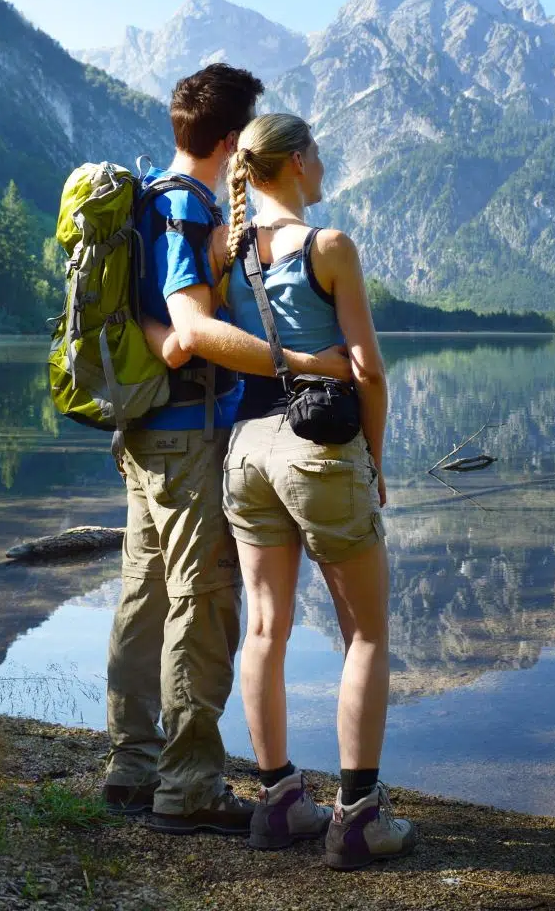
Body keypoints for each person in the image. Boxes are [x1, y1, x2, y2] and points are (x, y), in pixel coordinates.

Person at [150, 112, 415, 869]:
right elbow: (366, 369)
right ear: (297, 162)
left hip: (246, 452)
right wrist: (376, 460)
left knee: (266, 628)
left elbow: (213, 336)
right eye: (320, 155)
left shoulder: (223, 250)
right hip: (318, 451)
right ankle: (359, 816)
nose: (325, 165)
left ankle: (277, 801)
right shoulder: (329, 247)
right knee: (365, 631)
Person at [104, 65, 353, 837]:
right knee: (204, 603)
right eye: (247, 131)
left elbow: (156, 327)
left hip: (147, 433)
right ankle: (188, 788)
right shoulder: (183, 207)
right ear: (226, 140)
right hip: (184, 437)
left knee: (144, 597)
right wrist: (302, 365)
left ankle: (133, 767)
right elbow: (188, 335)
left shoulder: (152, 197)